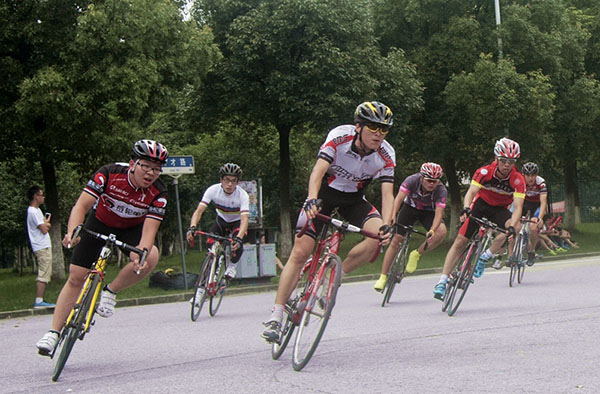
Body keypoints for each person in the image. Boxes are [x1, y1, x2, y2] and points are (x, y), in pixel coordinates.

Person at [261, 101, 396, 342]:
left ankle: (334, 276)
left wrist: (386, 224)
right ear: (358, 127)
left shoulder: (386, 154)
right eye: (373, 128)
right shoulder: (339, 137)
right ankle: (277, 315)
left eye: (384, 130)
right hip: (323, 196)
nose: (379, 134)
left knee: (379, 237)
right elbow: (318, 171)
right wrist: (312, 199)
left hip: (354, 200)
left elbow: (387, 193)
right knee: (301, 252)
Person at [36, 140, 169, 356]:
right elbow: (82, 205)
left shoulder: (159, 192)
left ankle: (111, 291)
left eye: (156, 169)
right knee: (76, 277)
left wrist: (140, 253)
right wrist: (73, 231)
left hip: (131, 229)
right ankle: (53, 333)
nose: (151, 173)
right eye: (146, 166)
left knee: (150, 256)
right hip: (99, 222)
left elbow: (149, 230)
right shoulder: (108, 173)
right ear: (132, 163)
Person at [433, 137, 525, 300]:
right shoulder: (484, 172)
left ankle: (486, 256)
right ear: (496, 158)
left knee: (516, 228)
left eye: (511, 162)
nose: (507, 165)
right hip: (481, 205)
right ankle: (442, 280)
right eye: (503, 161)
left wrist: (511, 227)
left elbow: (518, 206)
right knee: (460, 242)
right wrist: (467, 208)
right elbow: (471, 193)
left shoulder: (518, 179)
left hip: (500, 210)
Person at [373, 162, 448, 292]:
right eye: (429, 180)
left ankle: (416, 254)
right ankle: (383, 276)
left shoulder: (441, 190)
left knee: (441, 231)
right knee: (396, 240)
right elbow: (398, 199)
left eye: (435, 181)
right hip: (410, 208)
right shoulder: (412, 180)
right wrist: (393, 215)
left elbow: (439, 214)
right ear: (422, 177)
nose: (432, 184)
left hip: (428, 212)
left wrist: (432, 230)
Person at [186, 163, 249, 282]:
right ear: (221, 179)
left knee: (237, 243)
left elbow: (245, 219)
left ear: (237, 182)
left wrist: (239, 238)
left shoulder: (242, 195)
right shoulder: (213, 190)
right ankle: (211, 272)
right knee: (210, 243)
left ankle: (232, 266)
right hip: (221, 220)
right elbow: (199, 211)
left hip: (237, 222)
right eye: (226, 180)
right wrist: (192, 227)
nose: (229, 184)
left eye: (233, 181)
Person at [26, 186, 56, 309]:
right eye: (41, 195)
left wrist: (46, 223)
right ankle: (39, 301)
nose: (43, 197)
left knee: (46, 271)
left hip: (44, 245)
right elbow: (44, 229)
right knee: (43, 272)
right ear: (35, 196)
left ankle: (40, 300)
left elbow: (44, 224)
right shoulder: (32, 211)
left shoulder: (37, 210)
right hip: (41, 246)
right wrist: (47, 224)